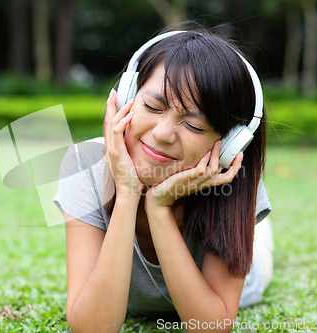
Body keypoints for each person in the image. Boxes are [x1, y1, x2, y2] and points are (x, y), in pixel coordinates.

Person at [54, 24, 273, 333]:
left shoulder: (231, 176)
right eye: (153, 106)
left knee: (260, 245)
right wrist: (129, 193)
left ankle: (259, 231)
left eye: (195, 126)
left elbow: (211, 327)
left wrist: (158, 209)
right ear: (127, 96)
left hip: (249, 273)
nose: (162, 134)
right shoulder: (84, 163)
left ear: (228, 143)